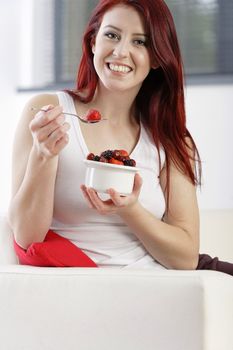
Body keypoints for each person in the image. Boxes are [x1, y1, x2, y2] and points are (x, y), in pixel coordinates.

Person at [7, 0, 233, 274]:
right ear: (93, 42)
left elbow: (185, 257)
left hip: (163, 280)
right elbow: (27, 238)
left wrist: (129, 209)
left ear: (156, 58)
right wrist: (43, 155)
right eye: (112, 35)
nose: (121, 51)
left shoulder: (169, 137)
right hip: (86, 289)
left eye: (140, 42)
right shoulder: (46, 112)